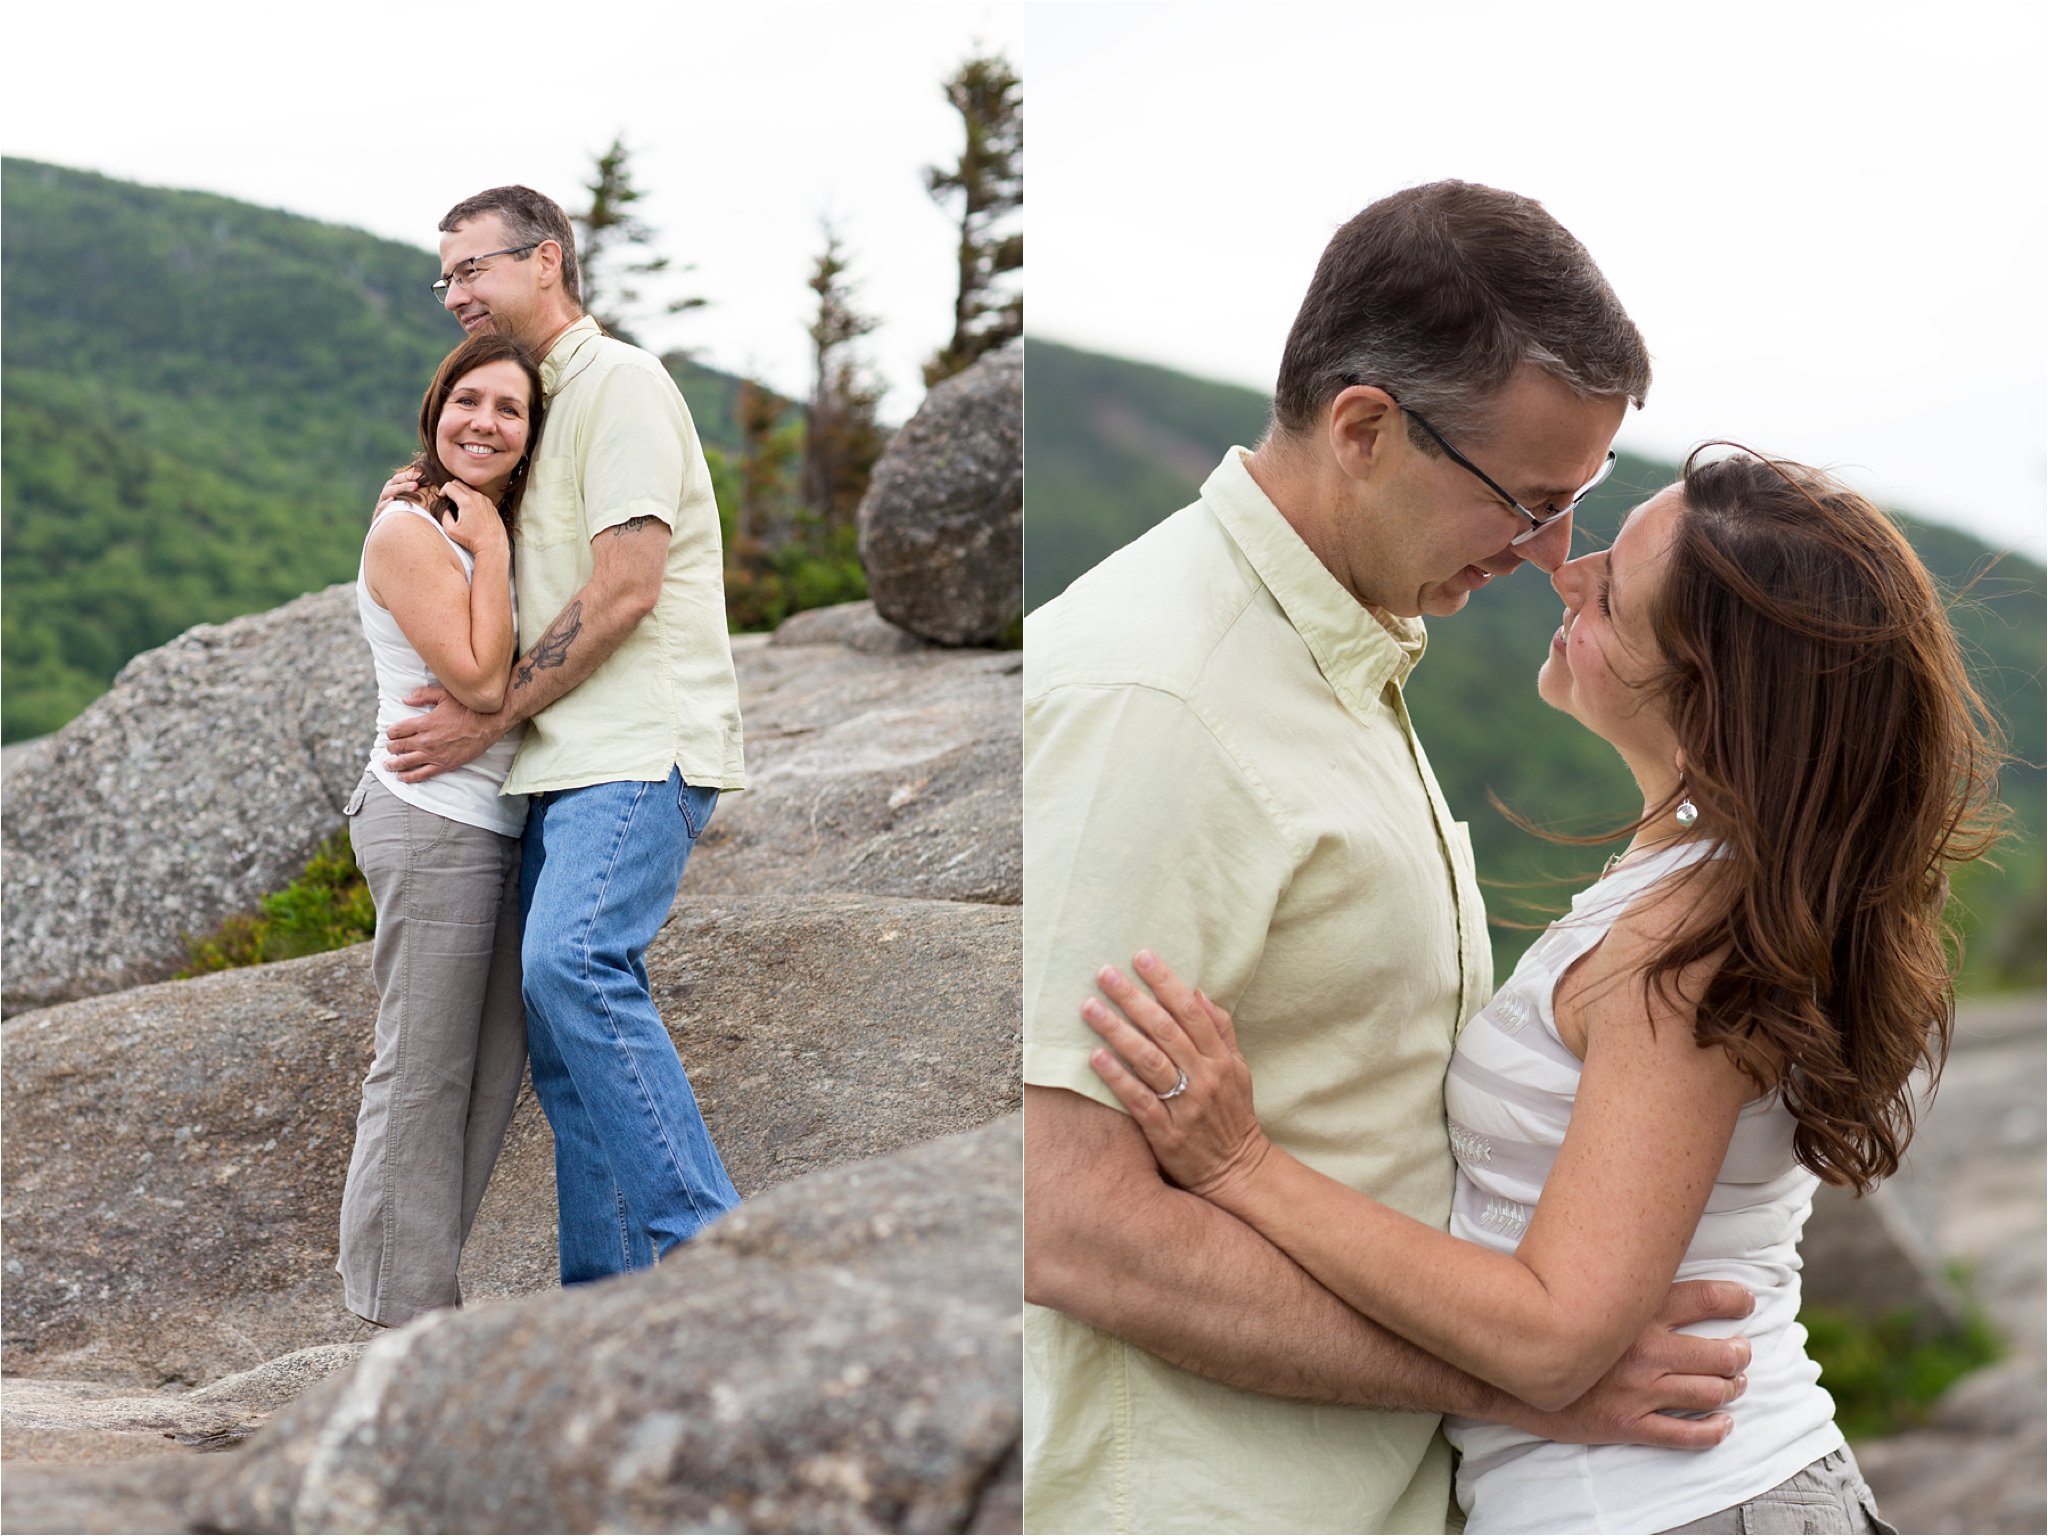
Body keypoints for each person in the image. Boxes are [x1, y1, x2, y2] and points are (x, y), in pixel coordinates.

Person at [1084, 448, 2001, 1533]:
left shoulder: (1689, 938)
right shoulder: (1691, 888)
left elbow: (1557, 1334)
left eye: (1612, 591)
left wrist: (1242, 1165)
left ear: (1707, 692)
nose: (1566, 571)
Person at [1023, 181, 1753, 1535]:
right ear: (1365, 428)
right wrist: (1532, 1381)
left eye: (1577, 505)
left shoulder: (1330, 657)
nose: (1551, 556)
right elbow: (1065, 1217)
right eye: (1530, 500)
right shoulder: (1160, 696)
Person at [379, 185, 747, 1283]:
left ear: (544, 262)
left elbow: (627, 586)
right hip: (564, 760)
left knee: (573, 963)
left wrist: (486, 713)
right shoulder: (542, 399)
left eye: (471, 270)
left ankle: (719, 1248)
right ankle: (605, 1312)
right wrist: (433, 487)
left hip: (638, 745)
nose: (455, 295)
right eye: (444, 278)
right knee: (562, 1051)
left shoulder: (622, 383)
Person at [338, 332, 543, 1327]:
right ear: (436, 409)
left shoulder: (489, 516)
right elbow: (476, 679)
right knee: (423, 1073)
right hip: (431, 817)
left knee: (489, 1075)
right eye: (469, 401)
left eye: (509, 410)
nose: (484, 423)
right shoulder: (412, 532)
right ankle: (394, 1317)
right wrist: (494, 548)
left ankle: (423, 1298)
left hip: (502, 825)